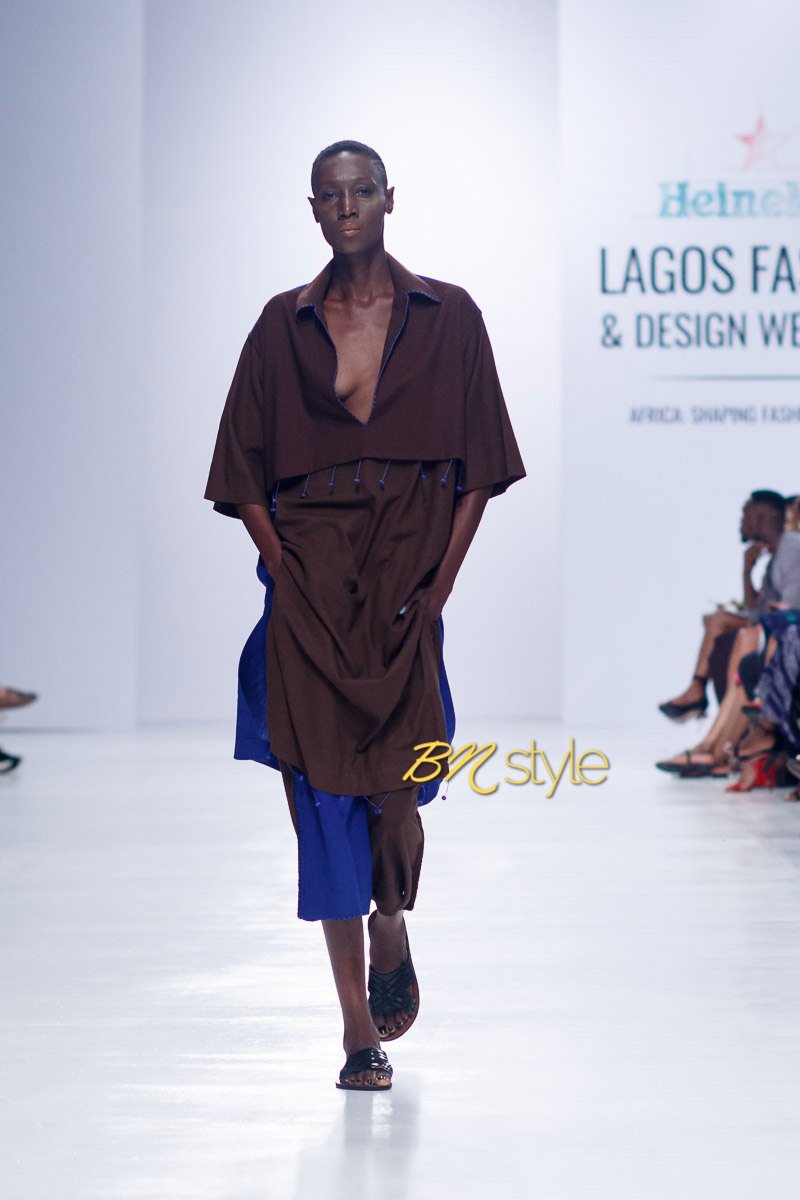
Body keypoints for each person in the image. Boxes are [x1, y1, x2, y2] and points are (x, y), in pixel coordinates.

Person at [205, 140, 526, 1091]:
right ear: (313, 209)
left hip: (405, 591)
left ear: (390, 199)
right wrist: (281, 568)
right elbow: (240, 468)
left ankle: (392, 917)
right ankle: (356, 1031)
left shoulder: (450, 316)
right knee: (321, 803)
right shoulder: (282, 325)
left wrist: (441, 587)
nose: (347, 206)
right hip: (308, 591)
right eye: (330, 195)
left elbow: (481, 467)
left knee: (403, 786)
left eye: (362, 191)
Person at [657, 491, 800, 776]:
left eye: (745, 514)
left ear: (761, 517)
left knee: (747, 640)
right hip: (776, 630)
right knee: (720, 622)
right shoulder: (774, 558)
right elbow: (756, 610)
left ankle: (715, 747)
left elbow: (787, 611)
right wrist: (746, 570)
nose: (741, 521)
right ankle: (702, 710)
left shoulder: (793, 550)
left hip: (785, 633)